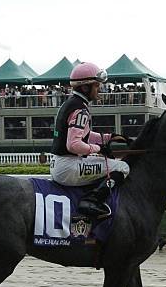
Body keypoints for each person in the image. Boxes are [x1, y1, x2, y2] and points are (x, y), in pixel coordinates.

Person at [50, 62, 130, 219]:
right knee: (122, 167)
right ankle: (91, 201)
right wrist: (99, 149)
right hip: (68, 167)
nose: (99, 89)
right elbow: (73, 145)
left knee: (104, 160)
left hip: (59, 164)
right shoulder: (80, 110)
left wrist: (108, 138)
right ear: (85, 88)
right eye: (96, 85)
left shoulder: (72, 103)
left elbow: (84, 134)